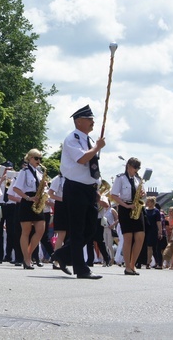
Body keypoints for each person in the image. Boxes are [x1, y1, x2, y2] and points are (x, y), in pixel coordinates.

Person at [51, 105, 105, 280]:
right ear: (79, 121)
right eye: (89, 119)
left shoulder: (88, 140)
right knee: (77, 230)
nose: (93, 122)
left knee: (91, 228)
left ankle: (63, 255)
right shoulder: (72, 139)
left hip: (88, 189)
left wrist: (96, 186)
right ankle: (81, 269)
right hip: (75, 188)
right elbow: (82, 159)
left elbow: (93, 166)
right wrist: (96, 148)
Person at [12, 149, 47, 270]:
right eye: (36, 158)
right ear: (30, 158)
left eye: (40, 159)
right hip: (27, 202)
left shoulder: (39, 172)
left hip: (37, 201)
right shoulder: (24, 172)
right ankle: (27, 259)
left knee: (40, 229)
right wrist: (28, 198)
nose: (39, 161)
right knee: (25, 232)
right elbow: (16, 188)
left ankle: (28, 254)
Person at [109, 157, 145, 275]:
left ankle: (133, 263)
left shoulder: (138, 179)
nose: (137, 170)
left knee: (140, 237)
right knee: (128, 238)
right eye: (135, 167)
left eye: (138, 168)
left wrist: (142, 194)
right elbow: (114, 195)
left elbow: (142, 195)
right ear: (128, 166)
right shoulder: (120, 178)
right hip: (125, 208)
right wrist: (126, 206)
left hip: (137, 208)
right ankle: (128, 266)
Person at [144, 197, 162, 269]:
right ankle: (149, 262)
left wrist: (160, 231)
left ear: (152, 202)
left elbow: (158, 222)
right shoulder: (145, 210)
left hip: (153, 230)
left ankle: (150, 262)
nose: (147, 203)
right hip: (146, 229)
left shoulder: (156, 211)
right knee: (148, 247)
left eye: (148, 202)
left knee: (152, 247)